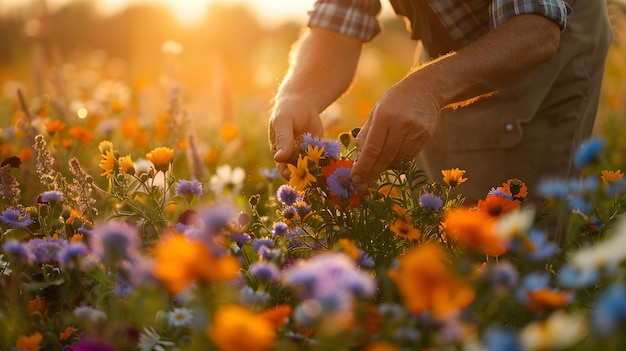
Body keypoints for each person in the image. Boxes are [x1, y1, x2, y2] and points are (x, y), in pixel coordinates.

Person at [268, 0, 612, 237]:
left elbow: (535, 30)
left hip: (538, 37)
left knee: (505, 237)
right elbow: (336, 25)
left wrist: (428, 89)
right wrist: (297, 95)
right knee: (437, 220)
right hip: (450, 43)